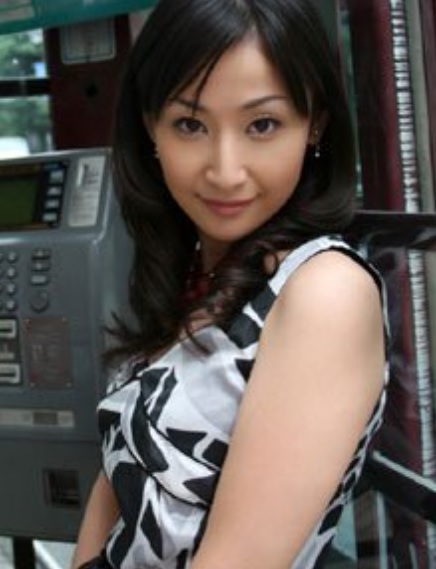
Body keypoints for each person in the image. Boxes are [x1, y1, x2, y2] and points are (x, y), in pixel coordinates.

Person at [72, 0, 389, 567]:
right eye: (190, 125)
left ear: (315, 122)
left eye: (262, 125)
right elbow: (117, 489)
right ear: (150, 125)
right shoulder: (201, 272)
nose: (224, 170)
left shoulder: (325, 293)